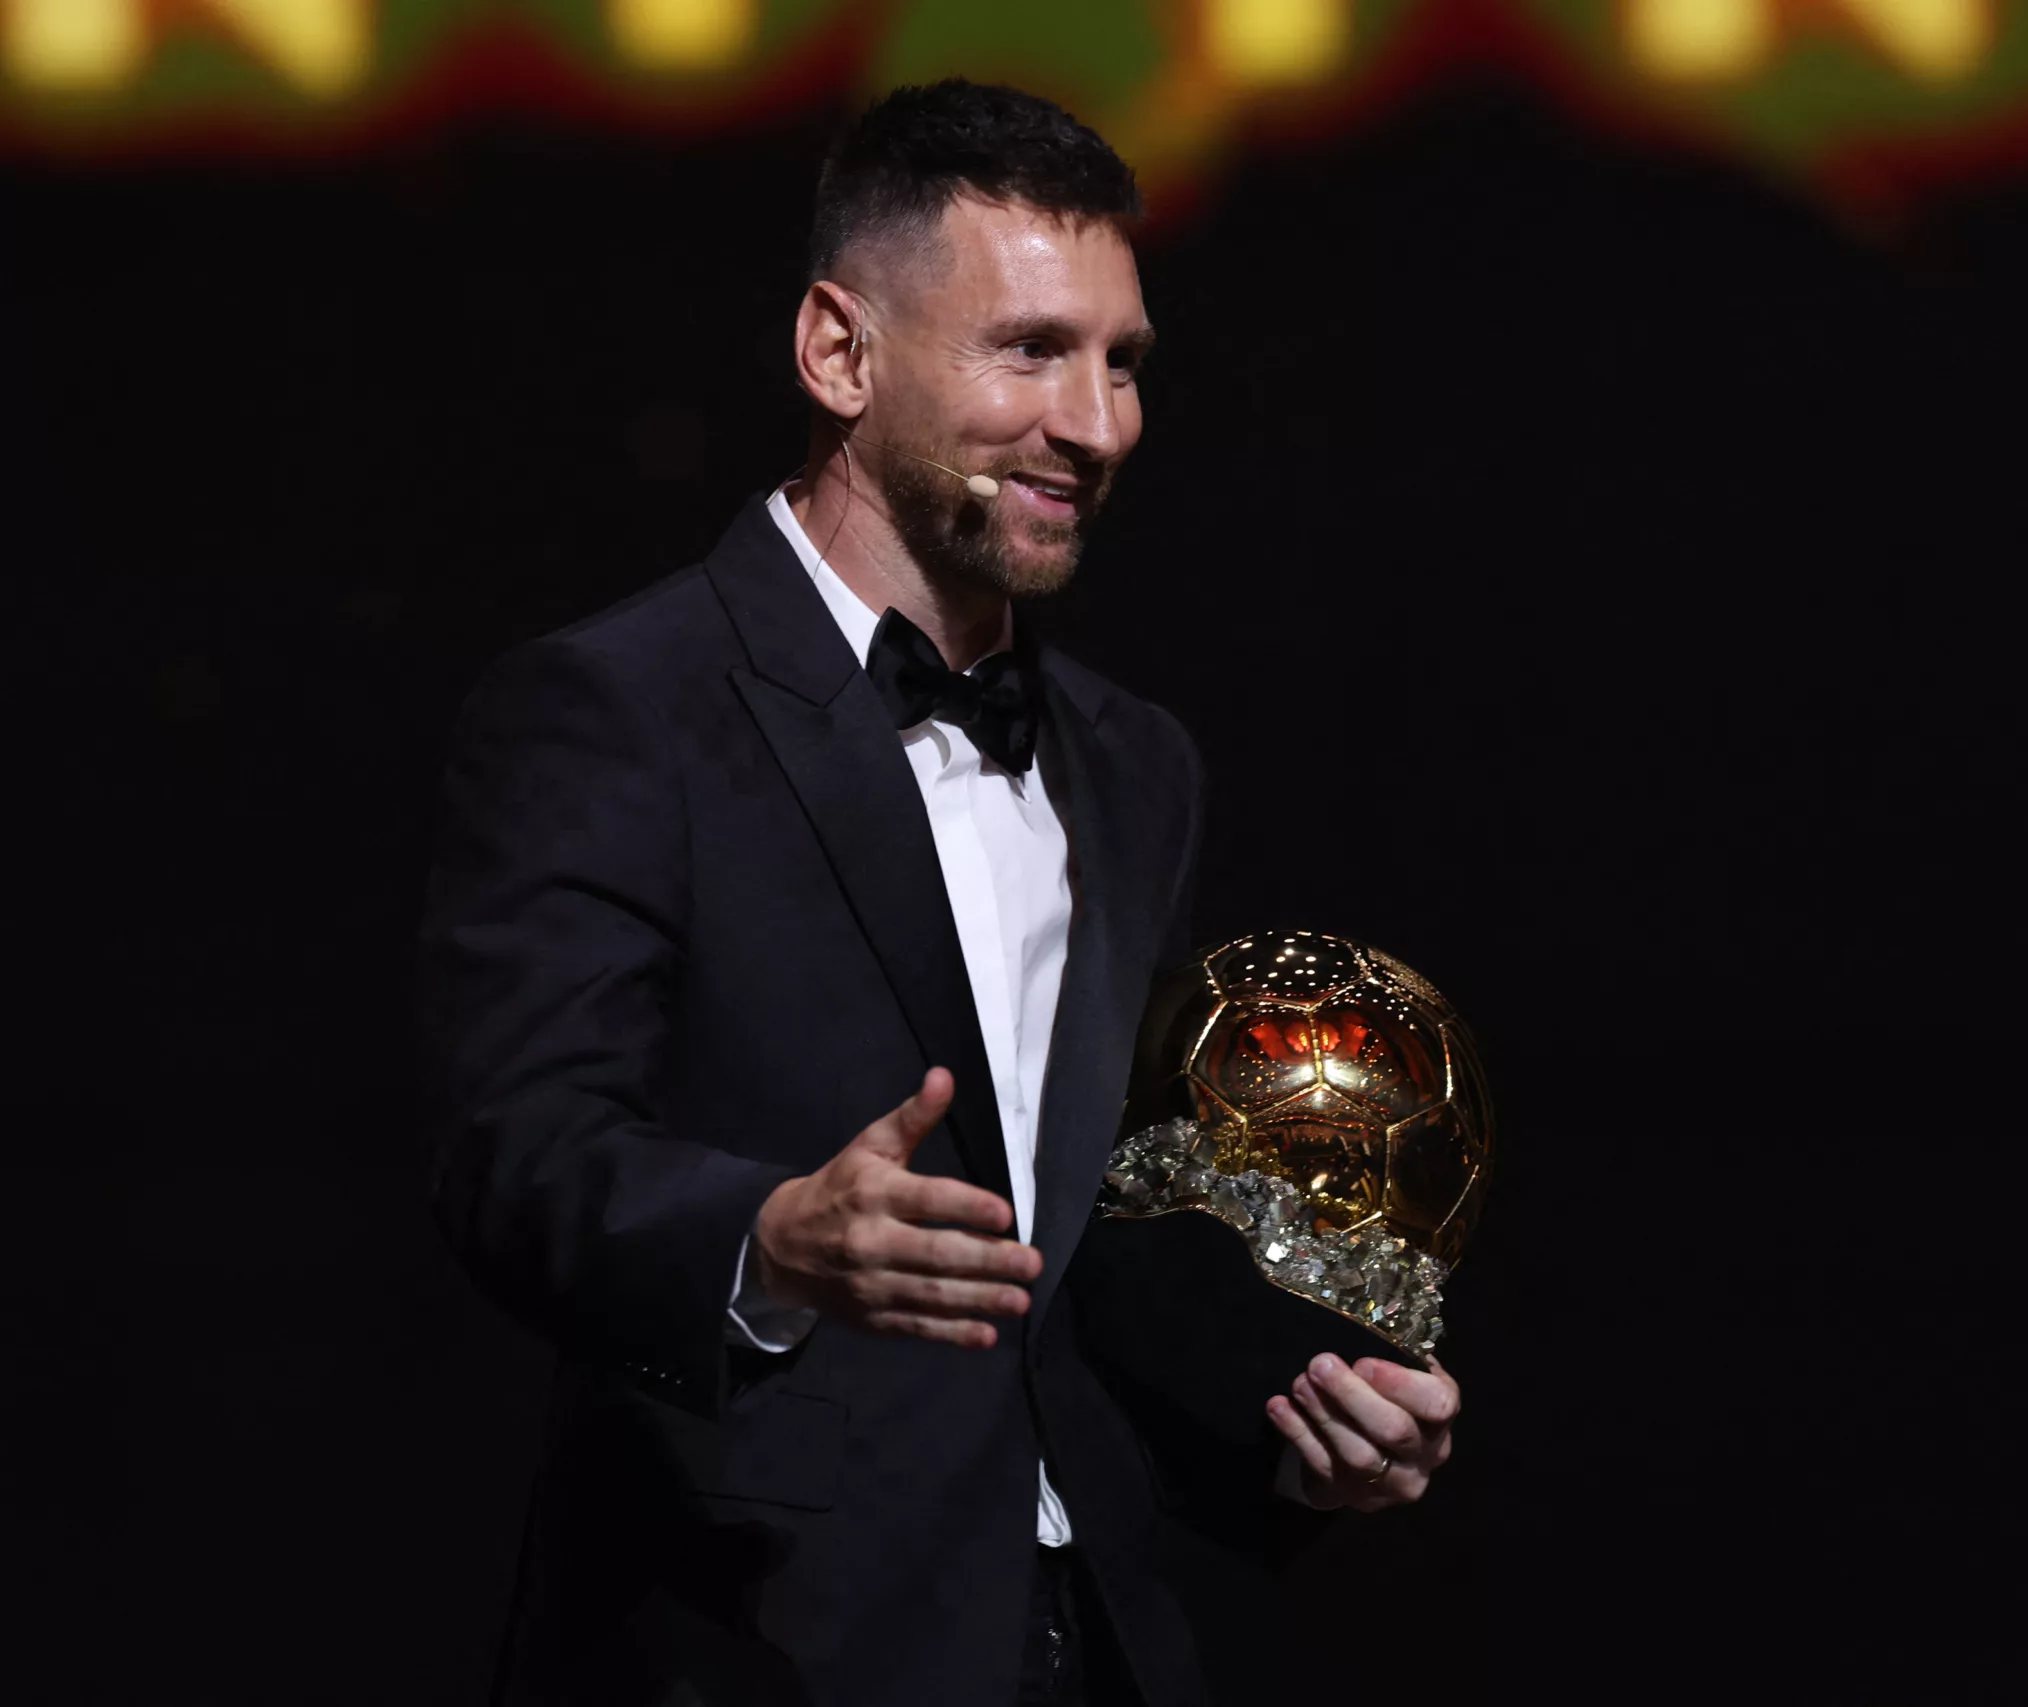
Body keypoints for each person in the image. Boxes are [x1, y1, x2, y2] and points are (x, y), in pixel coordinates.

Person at [419, 80, 1460, 1706]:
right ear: (840, 353)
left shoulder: (1137, 760)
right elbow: (517, 1155)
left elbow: (1110, 1229)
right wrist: (766, 1235)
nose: (1097, 423)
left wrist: (1298, 1413)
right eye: (1031, 349)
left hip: (1119, 1637)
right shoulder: (620, 706)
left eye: (1122, 364)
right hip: (766, 1643)